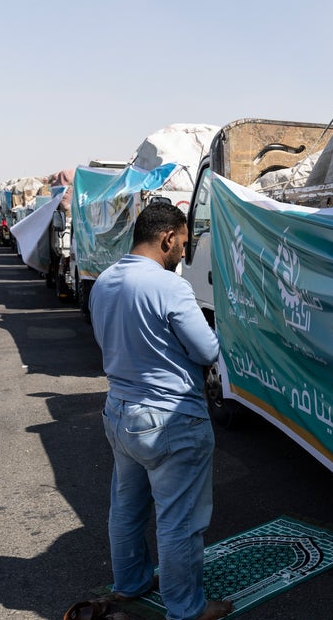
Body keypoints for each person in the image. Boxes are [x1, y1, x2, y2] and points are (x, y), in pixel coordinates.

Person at [88, 203, 232, 620]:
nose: (183, 253)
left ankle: (130, 583)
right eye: (184, 244)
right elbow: (206, 350)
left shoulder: (105, 281)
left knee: (127, 506)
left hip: (119, 411)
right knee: (180, 520)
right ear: (168, 237)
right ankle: (186, 609)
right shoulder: (169, 286)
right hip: (170, 420)